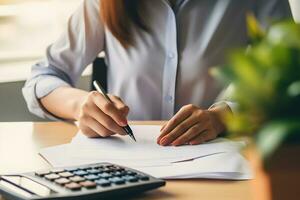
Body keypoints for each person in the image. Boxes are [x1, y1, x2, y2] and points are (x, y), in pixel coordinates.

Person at [23, 0, 290, 146]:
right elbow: (42, 77)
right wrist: (81, 104)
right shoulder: (101, 4)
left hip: (219, 166)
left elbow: (289, 78)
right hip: (125, 165)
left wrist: (224, 116)